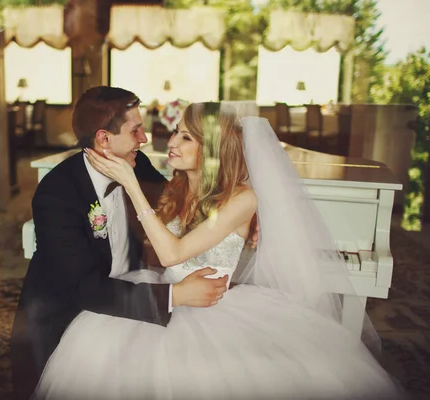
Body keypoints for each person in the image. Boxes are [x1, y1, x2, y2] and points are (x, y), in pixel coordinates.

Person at [32, 102, 404, 400]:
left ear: (213, 149)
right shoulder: (175, 185)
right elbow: (159, 230)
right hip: (163, 297)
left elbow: (172, 252)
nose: (166, 143)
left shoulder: (240, 199)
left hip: (214, 312)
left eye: (187, 138)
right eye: (175, 132)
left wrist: (130, 184)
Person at [10, 88, 235, 400]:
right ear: (104, 139)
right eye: (135, 130)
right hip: (71, 311)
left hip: (131, 291)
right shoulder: (58, 194)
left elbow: (179, 201)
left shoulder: (135, 163)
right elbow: (86, 290)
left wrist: (236, 214)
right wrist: (175, 294)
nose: (144, 139)